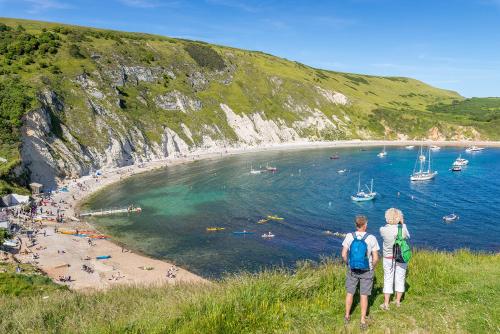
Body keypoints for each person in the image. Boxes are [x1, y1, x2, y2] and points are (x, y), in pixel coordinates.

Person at [342, 215, 380, 330]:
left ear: (356, 225)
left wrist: (348, 264)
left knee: (350, 292)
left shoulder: (349, 236)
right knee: (364, 295)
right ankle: (363, 320)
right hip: (366, 270)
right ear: (365, 225)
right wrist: (372, 267)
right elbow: (376, 258)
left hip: (352, 269)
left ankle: (347, 316)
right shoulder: (371, 238)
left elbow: (344, 255)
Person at [379, 208, 410, 310]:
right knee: (400, 278)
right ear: (398, 218)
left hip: (388, 258)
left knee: (388, 278)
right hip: (400, 256)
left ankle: (386, 303)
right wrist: (402, 223)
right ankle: (397, 301)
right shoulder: (402, 229)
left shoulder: (382, 229)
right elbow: (407, 236)